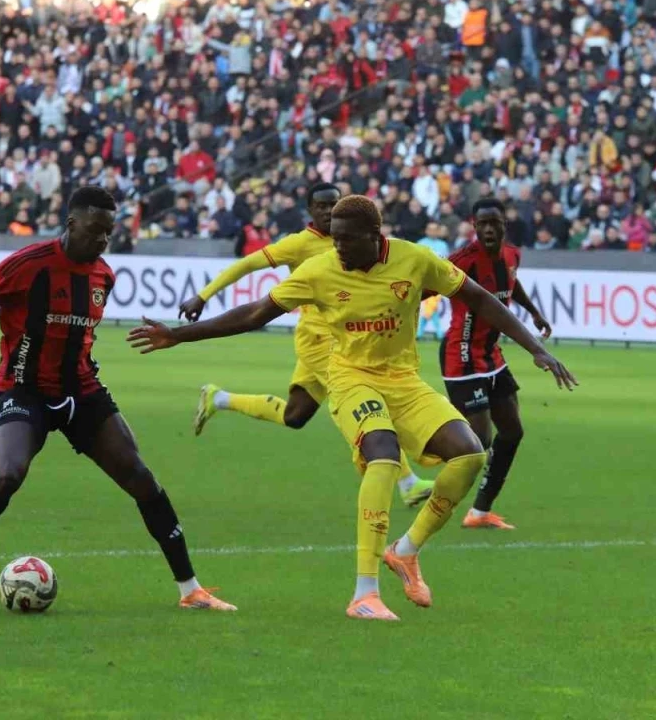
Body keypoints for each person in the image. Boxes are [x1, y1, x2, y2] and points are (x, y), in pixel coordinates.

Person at [129, 196, 576, 621]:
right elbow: (254, 314)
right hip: (349, 378)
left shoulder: (415, 259)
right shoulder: (319, 269)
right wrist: (177, 335)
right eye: (334, 236)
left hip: (403, 379)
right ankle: (365, 593)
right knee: (382, 456)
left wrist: (536, 349)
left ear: (374, 236)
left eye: (345, 238)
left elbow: (479, 297)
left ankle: (406, 551)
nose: (337, 245)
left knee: (471, 453)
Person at [0, 186, 234, 612]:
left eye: (108, 232)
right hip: (23, 389)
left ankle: (191, 590)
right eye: (95, 230)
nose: (102, 240)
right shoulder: (28, 265)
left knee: (141, 479)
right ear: (71, 223)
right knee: (8, 475)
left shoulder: (104, 276)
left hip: (82, 392)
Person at [178, 183, 435, 508]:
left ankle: (219, 398)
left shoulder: (356, 240)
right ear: (310, 210)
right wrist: (203, 295)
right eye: (321, 206)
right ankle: (408, 482)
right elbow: (248, 264)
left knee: (295, 415)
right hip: (320, 343)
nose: (328, 211)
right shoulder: (300, 244)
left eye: (333, 204)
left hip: (342, 340)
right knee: (370, 402)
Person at [441, 199, 553, 530]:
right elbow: (425, 288)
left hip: (492, 355)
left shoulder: (512, 255)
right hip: (462, 355)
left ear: (505, 224)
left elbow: (511, 283)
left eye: (495, 223)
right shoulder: (461, 261)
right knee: (479, 442)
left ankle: (479, 512)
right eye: (483, 224)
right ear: (474, 226)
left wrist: (532, 311)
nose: (489, 229)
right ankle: (424, 457)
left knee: (512, 431)